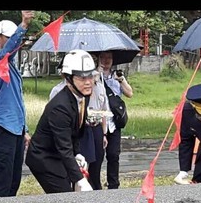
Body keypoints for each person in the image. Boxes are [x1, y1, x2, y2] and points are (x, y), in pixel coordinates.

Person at [25, 49, 95, 194]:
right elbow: (64, 147)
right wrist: (80, 180)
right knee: (64, 198)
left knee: (69, 197)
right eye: (82, 78)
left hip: (59, 154)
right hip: (44, 158)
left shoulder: (83, 96)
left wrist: (77, 154)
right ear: (68, 78)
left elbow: (75, 131)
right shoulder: (60, 107)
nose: (88, 82)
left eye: (90, 76)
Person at [0, 11, 34, 198]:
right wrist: (24, 25)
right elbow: (9, 49)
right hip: (2, 125)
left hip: (16, 127)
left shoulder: (12, 66)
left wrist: (25, 129)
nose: (16, 42)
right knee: (1, 179)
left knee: (14, 179)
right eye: (9, 37)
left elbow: (17, 101)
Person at [98, 50, 134, 189]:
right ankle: (95, 183)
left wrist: (121, 79)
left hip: (114, 122)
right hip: (99, 120)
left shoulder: (116, 75)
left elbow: (129, 93)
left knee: (113, 155)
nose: (106, 61)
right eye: (103, 57)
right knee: (97, 156)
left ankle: (113, 184)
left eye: (109, 58)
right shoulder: (94, 76)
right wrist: (97, 73)